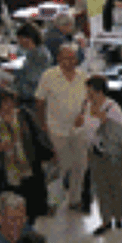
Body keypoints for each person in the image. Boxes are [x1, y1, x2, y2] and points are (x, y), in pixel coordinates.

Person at [35, 44, 88, 211]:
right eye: (66, 58)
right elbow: (40, 101)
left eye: (73, 58)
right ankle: (54, 201)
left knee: (80, 165)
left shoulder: (82, 76)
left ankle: (75, 199)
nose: (70, 61)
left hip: (78, 129)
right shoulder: (49, 76)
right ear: (58, 59)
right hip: (56, 128)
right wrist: (42, 123)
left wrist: (83, 116)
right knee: (61, 166)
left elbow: (88, 100)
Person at [0, 89, 51, 224]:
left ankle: (29, 227)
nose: (9, 105)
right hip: (7, 171)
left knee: (32, 205)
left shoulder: (24, 116)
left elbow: (37, 136)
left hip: (28, 167)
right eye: (4, 102)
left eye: (11, 101)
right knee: (12, 207)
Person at [80, 76, 122, 236]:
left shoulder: (112, 108)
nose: (87, 95)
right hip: (94, 151)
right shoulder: (87, 106)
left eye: (90, 92)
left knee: (115, 184)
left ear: (99, 92)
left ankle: (119, 217)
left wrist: (104, 120)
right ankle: (105, 220)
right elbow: (85, 127)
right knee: (100, 187)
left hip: (113, 154)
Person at [13, 23, 52, 109]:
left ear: (28, 38)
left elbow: (32, 79)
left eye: (20, 39)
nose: (19, 42)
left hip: (31, 95)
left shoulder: (40, 55)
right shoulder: (30, 52)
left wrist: (13, 80)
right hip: (28, 91)